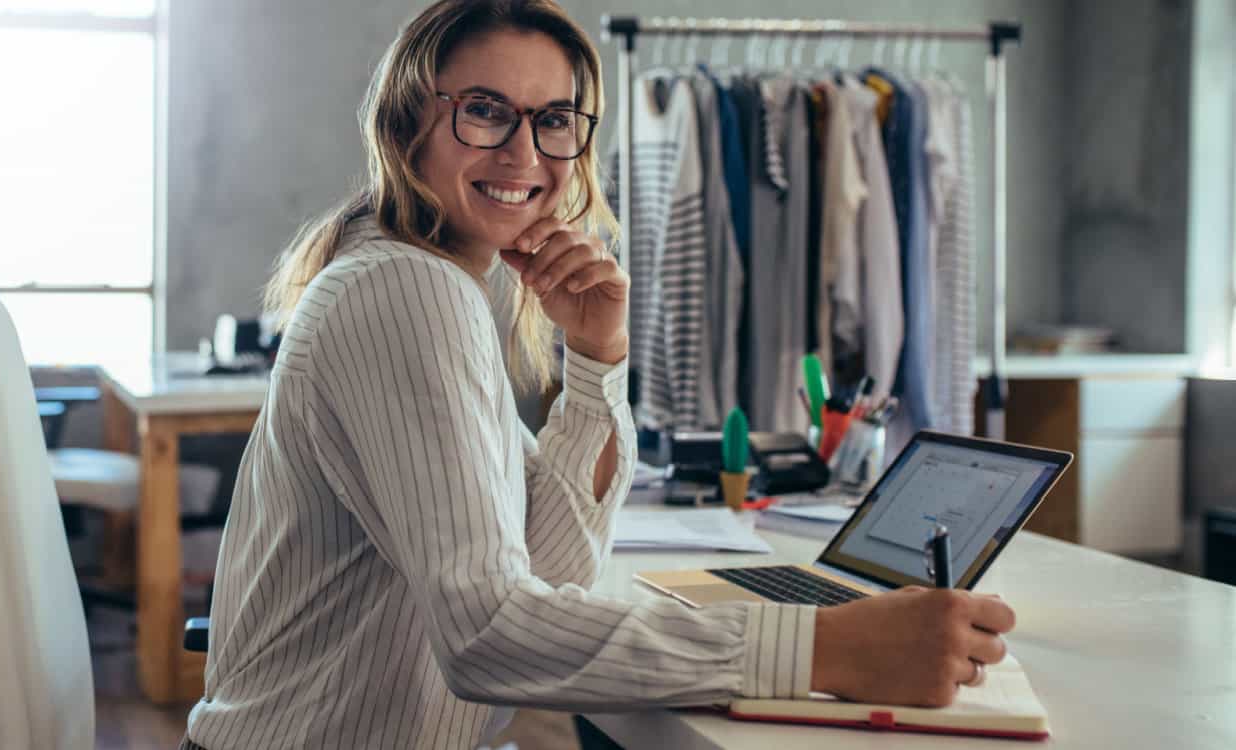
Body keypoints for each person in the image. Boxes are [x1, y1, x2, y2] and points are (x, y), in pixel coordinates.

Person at [182, 2, 1015, 748]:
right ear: (407, 129)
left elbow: (549, 577)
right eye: (484, 111)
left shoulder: (423, 284)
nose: (524, 151)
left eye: (554, 120)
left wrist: (595, 360)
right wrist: (826, 648)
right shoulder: (407, 288)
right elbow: (489, 635)